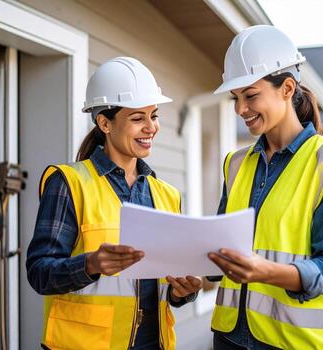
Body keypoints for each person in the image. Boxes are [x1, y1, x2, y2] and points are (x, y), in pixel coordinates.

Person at [207, 26, 323, 350]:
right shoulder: (236, 164)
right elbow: (220, 252)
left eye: (250, 96)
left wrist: (266, 272)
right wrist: (193, 276)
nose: (240, 110)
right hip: (228, 339)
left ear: (287, 88)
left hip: (295, 342)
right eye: (235, 98)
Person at [26, 57, 202, 350]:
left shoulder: (167, 195)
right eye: (137, 118)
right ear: (105, 123)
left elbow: (163, 289)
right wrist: (91, 263)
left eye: (154, 115)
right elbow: (39, 273)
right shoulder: (69, 183)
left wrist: (182, 292)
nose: (151, 128)